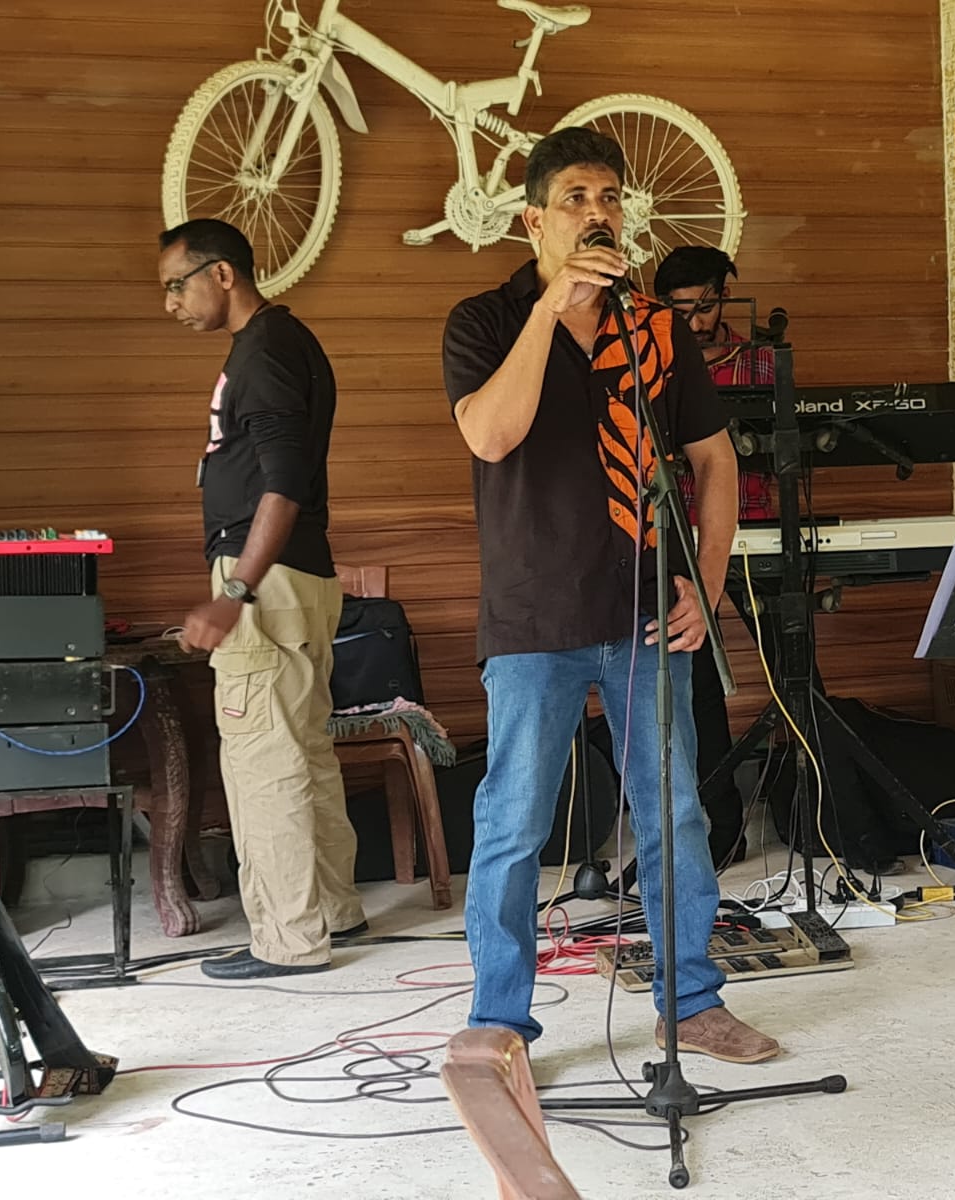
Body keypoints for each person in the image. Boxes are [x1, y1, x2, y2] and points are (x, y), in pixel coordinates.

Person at [441, 128, 779, 1063]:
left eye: (610, 197)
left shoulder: (656, 329)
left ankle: (693, 1002)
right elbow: (491, 437)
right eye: (577, 198)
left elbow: (713, 459)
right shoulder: (483, 320)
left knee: (673, 815)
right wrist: (553, 307)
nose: (598, 212)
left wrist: (706, 583)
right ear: (533, 219)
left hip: (644, 613)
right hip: (533, 618)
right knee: (513, 825)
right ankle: (500, 1024)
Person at [158, 218, 366, 980]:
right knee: (305, 751)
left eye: (176, 284)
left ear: (221, 274)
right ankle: (333, 912)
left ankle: (288, 938)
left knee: (263, 762)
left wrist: (236, 590)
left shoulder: (266, 351)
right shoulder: (283, 343)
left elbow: (283, 481)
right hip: (300, 574)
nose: (170, 303)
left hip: (265, 580)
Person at [653, 247, 778, 869]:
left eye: (705, 307)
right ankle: (718, 824)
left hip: (759, 530)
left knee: (791, 678)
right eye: (680, 309)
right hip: (680, 536)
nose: (695, 322)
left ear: (723, 298)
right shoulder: (658, 361)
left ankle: (810, 818)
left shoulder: (759, 358)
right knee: (696, 687)